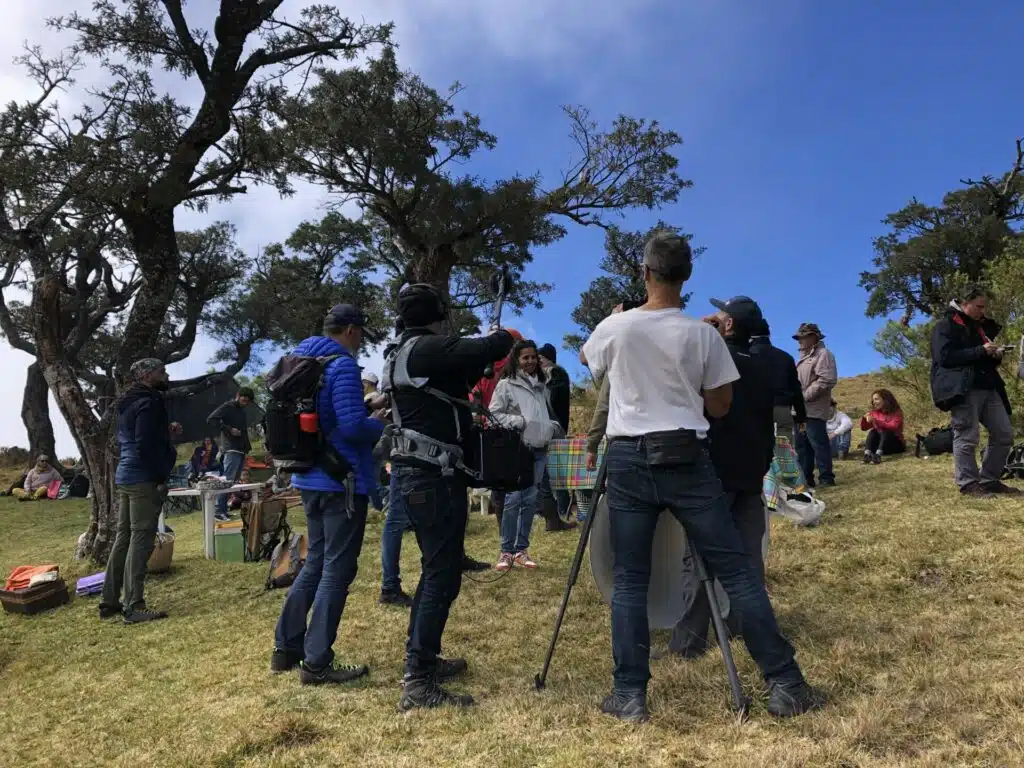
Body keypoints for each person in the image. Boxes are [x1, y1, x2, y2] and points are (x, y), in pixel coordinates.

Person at [580, 231, 821, 723]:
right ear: (687, 277)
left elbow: (593, 366)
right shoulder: (703, 334)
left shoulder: (616, 328)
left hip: (628, 457)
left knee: (630, 578)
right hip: (687, 455)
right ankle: (785, 683)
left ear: (645, 274)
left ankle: (629, 694)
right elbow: (720, 404)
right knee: (735, 569)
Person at [384, 283, 515, 710]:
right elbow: (489, 346)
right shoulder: (424, 349)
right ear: (438, 313)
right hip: (431, 475)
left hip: (427, 473)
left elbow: (458, 380)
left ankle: (424, 658)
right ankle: (418, 679)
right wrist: (500, 338)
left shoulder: (406, 353)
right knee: (441, 572)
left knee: (438, 569)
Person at [270, 304, 386, 685]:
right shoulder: (342, 367)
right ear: (351, 331)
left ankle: (286, 647)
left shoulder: (300, 361)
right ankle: (317, 661)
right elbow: (352, 427)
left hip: (308, 477)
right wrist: (377, 424)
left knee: (316, 562)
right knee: (337, 569)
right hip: (342, 481)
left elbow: (328, 418)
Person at [669, 296, 777, 659]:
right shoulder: (766, 364)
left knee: (699, 559)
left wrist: (704, 338)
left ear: (728, 325)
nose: (713, 316)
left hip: (714, 473)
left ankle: (688, 643)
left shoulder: (714, 357)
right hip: (752, 473)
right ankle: (748, 629)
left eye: (721, 314)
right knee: (748, 558)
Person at [99, 359, 177, 624]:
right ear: (147, 375)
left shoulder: (127, 402)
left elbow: (137, 436)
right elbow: (145, 444)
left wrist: (166, 433)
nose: (166, 375)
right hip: (143, 476)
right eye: (161, 372)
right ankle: (134, 606)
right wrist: (159, 476)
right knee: (140, 539)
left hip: (125, 473)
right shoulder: (150, 401)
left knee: (123, 537)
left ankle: (109, 601)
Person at [930, 285, 1018, 496]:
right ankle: (968, 483)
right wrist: (980, 350)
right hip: (964, 389)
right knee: (967, 435)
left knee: (1004, 433)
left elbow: (979, 357)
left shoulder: (980, 328)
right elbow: (945, 357)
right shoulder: (945, 326)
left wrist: (994, 355)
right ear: (965, 303)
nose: (983, 311)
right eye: (979, 306)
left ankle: (989, 479)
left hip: (989, 385)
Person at [489, 339, 563, 571]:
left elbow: (542, 414)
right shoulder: (506, 385)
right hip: (516, 449)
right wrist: (520, 422)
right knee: (513, 499)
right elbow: (494, 414)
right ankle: (506, 551)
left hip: (540, 448)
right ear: (516, 359)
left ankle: (521, 549)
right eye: (525, 357)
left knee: (530, 500)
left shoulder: (542, 384)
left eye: (533, 357)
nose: (530, 361)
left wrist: (549, 426)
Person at [793, 323, 838, 488]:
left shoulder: (823, 354)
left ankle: (826, 477)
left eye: (802, 337)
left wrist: (805, 396)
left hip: (814, 409)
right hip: (801, 410)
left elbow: (827, 379)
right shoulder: (804, 358)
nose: (799, 341)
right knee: (802, 446)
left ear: (813, 337)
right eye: (798, 338)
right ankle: (806, 479)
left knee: (818, 444)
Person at [536, 343, 574, 532]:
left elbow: (554, 400)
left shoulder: (556, 373)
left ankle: (563, 508)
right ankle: (554, 510)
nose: (538, 361)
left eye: (540, 358)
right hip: (549, 428)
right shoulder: (554, 374)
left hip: (554, 428)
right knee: (550, 471)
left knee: (555, 471)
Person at [749, 319, 807, 434]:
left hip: (753, 411)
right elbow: (796, 389)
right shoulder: (786, 357)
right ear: (769, 334)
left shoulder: (745, 354)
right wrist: (801, 417)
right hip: (782, 409)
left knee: (754, 449)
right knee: (782, 450)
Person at [207, 387, 254, 521]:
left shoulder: (241, 411)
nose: (246, 400)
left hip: (240, 449)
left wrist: (247, 449)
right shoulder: (228, 406)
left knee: (232, 481)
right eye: (244, 397)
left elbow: (243, 432)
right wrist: (229, 429)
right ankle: (217, 511)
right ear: (238, 395)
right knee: (227, 480)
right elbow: (211, 419)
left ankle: (223, 510)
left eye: (249, 399)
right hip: (231, 448)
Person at [860, 390, 905, 464]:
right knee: (873, 432)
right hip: (879, 446)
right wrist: (864, 419)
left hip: (894, 445)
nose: (874, 402)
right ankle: (867, 455)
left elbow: (894, 426)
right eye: (873, 400)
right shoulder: (874, 413)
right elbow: (864, 428)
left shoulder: (897, 412)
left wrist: (877, 421)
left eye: (876, 399)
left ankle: (878, 456)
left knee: (885, 431)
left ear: (885, 400)